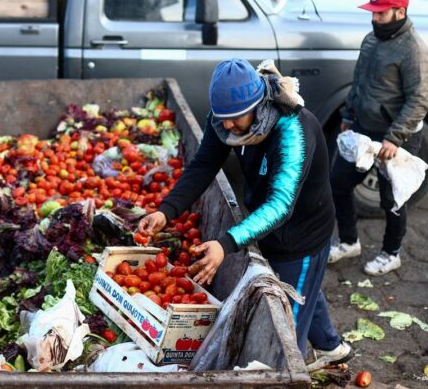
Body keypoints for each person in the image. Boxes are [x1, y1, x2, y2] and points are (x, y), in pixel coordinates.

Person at [138, 58, 351, 369]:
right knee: (303, 288)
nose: (226, 126)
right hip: (265, 224)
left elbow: (280, 205)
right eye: (222, 118)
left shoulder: (293, 132)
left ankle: (287, 371)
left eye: (234, 119)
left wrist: (225, 245)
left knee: (284, 331)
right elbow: (203, 165)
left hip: (300, 235)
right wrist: (166, 211)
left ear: (258, 104)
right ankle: (331, 347)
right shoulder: (226, 117)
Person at [328, 0, 428, 275]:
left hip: (397, 137)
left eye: (381, 13)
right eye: (372, 12)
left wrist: (394, 138)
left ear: (399, 12)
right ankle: (349, 241)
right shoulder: (370, 40)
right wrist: (348, 115)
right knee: (338, 184)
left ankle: (391, 252)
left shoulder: (414, 49)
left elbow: (418, 101)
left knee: (392, 199)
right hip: (362, 128)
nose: (374, 18)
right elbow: (359, 82)